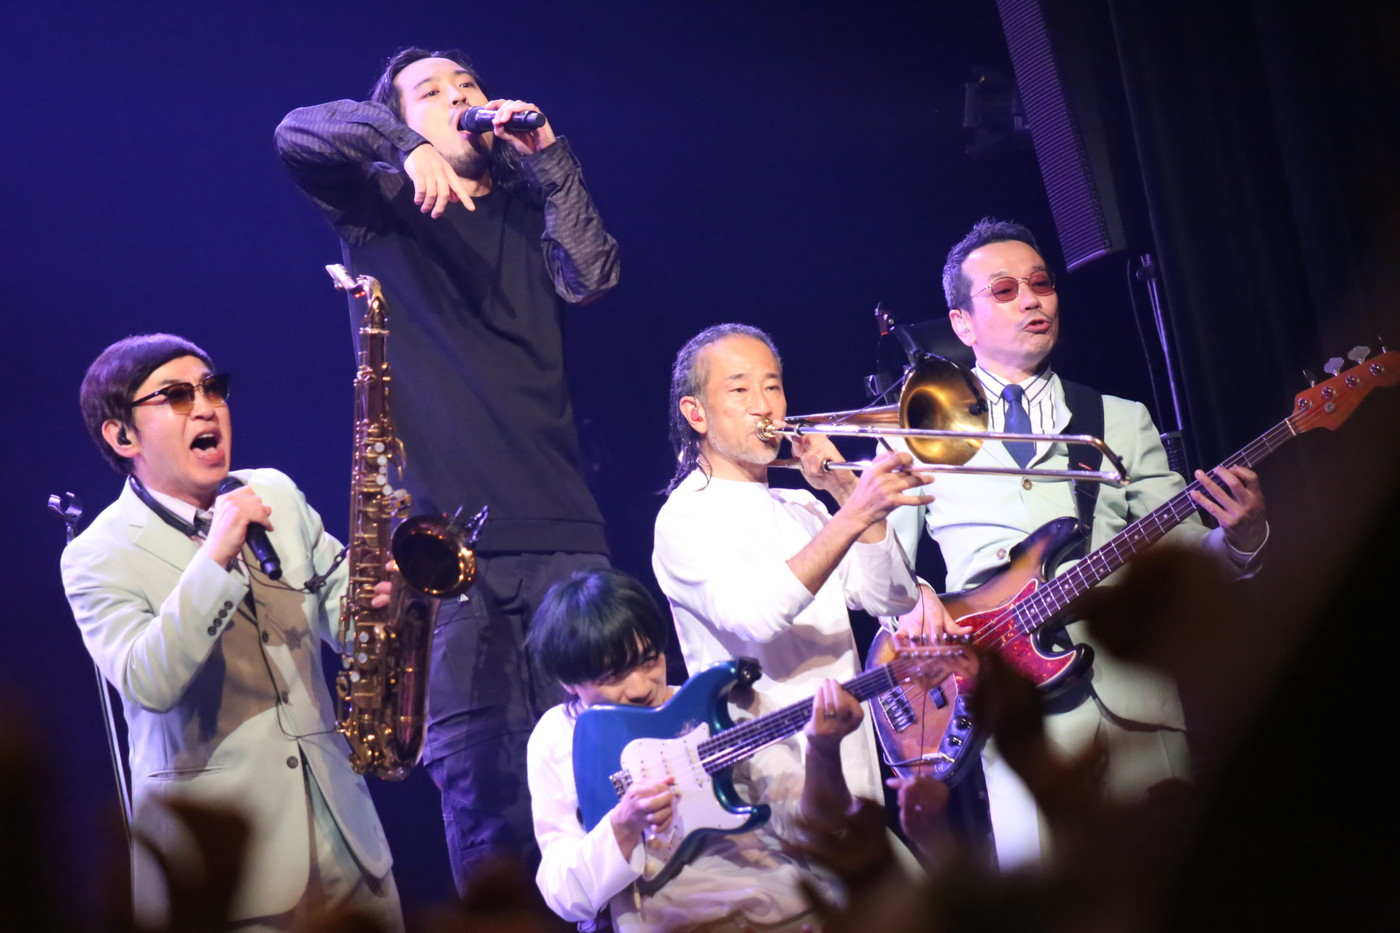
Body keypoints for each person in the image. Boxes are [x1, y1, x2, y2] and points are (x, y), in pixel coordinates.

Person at [274, 47, 619, 888]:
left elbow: (594, 275)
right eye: (430, 91)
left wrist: (549, 157)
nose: (460, 97)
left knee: (605, 786)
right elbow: (296, 131)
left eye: (468, 85)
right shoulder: (379, 206)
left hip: (566, 537)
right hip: (448, 558)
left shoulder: (526, 209)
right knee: (490, 803)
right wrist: (403, 146)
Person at [894, 217, 1269, 870]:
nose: (1032, 300)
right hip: (1015, 717)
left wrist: (1241, 536)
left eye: (1041, 284)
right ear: (962, 323)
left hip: (1137, 705)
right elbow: (880, 570)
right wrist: (915, 596)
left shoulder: (1120, 418)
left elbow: (1180, 559)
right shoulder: (920, 432)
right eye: (1005, 290)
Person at [60, 334, 402, 931]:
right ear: (122, 437)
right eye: (175, 396)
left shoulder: (273, 495)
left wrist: (383, 602)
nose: (205, 407)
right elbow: (148, 680)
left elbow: (344, 620)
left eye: (212, 388)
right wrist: (215, 555)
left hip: (346, 843)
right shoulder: (97, 555)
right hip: (223, 872)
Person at [650, 323, 949, 809]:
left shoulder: (803, 506)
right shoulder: (683, 519)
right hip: (767, 793)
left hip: (855, 773)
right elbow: (758, 618)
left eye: (772, 387)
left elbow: (893, 598)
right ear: (696, 413)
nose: (763, 405)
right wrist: (852, 515)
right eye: (740, 390)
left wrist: (846, 492)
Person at [525, 568, 864, 931]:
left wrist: (823, 750)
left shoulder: (721, 704)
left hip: (788, 906)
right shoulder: (560, 736)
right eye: (612, 676)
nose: (641, 688)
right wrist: (623, 825)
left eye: (649, 660)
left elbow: (817, 830)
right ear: (570, 682)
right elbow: (566, 896)